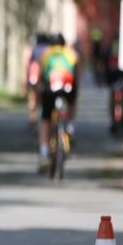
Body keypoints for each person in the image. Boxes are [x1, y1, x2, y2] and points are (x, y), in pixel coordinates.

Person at [37, 33, 79, 171]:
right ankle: (70, 127)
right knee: (72, 102)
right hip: (67, 88)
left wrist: (38, 92)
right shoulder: (71, 53)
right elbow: (76, 74)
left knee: (45, 119)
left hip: (50, 89)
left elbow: (41, 75)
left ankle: (44, 152)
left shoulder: (46, 53)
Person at [26, 33, 51, 128]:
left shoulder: (33, 49)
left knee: (33, 97)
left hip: (34, 75)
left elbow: (28, 63)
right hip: (45, 76)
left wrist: (26, 79)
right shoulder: (48, 50)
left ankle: (33, 118)